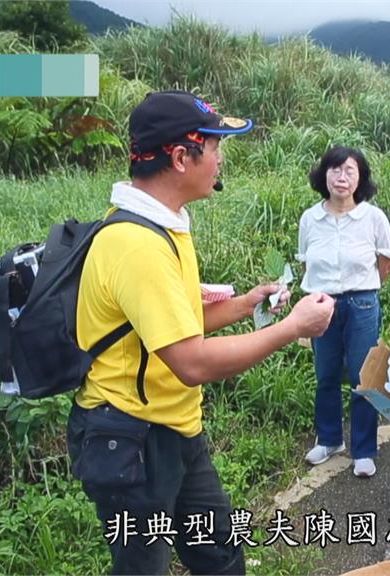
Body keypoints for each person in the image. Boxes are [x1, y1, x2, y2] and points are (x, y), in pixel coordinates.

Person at [67, 90, 335, 575]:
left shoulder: (166, 225)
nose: (219, 159)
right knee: (142, 568)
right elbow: (190, 362)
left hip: (176, 430)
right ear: (180, 157)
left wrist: (243, 305)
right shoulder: (136, 245)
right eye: (213, 146)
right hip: (129, 437)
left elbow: (172, 323)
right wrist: (292, 329)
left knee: (219, 556)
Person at [298, 146, 390, 478]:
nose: (342, 177)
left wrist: (362, 288)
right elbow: (305, 263)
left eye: (350, 171)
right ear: (323, 175)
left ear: (361, 178)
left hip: (362, 304)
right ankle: (329, 440)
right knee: (325, 375)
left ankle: (364, 450)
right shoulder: (310, 218)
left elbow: (385, 264)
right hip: (321, 304)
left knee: (361, 376)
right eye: (335, 170)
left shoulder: (373, 217)